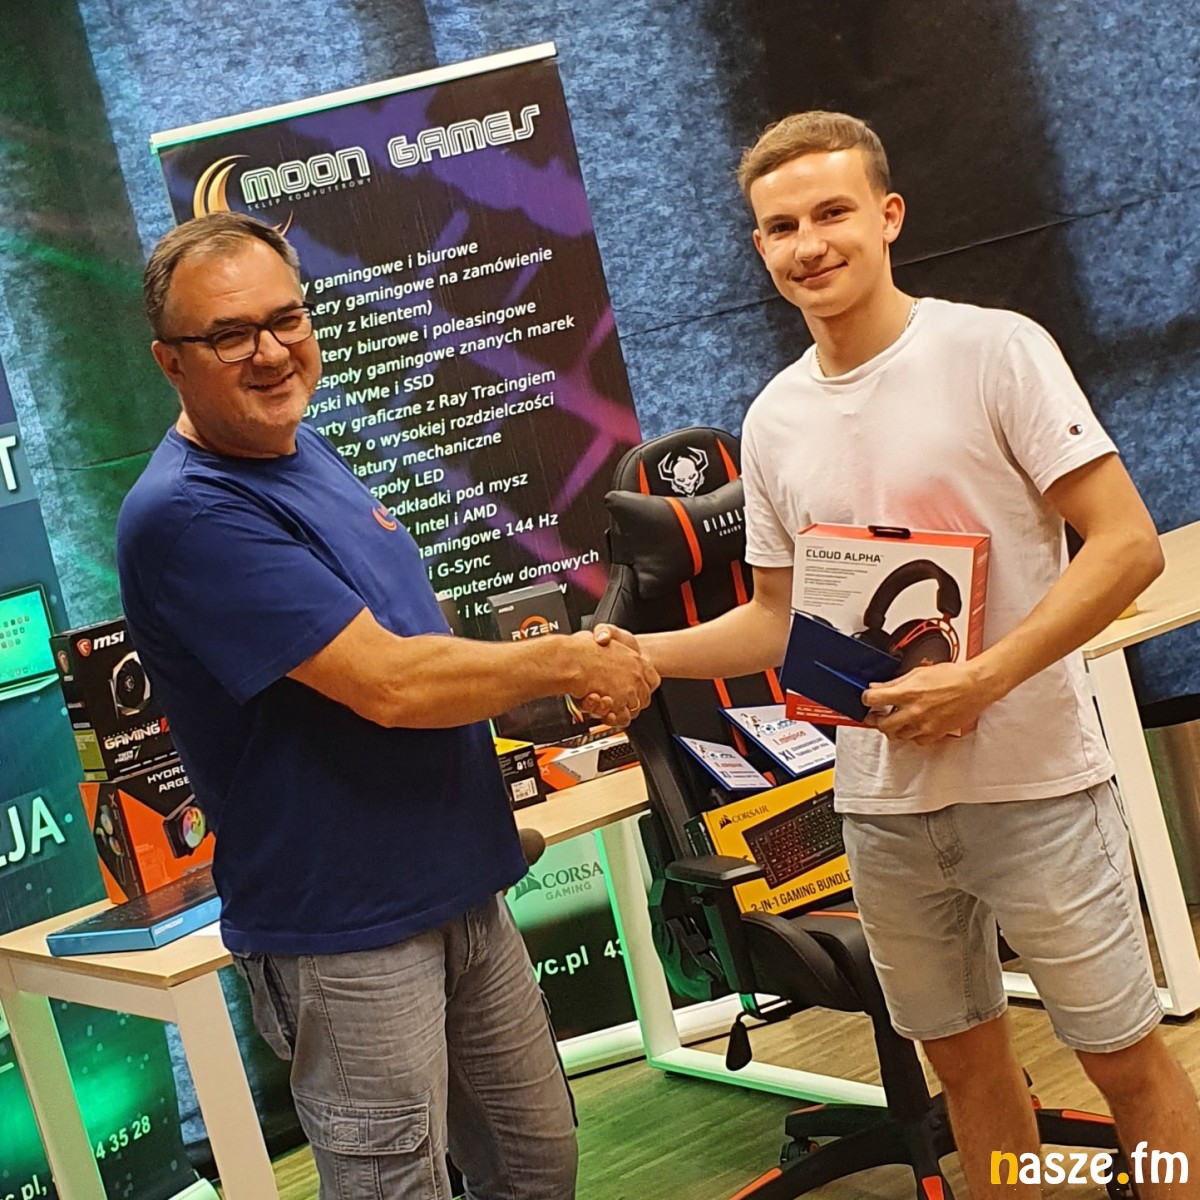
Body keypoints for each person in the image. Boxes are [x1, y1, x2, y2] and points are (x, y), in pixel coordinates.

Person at [602, 112, 1200, 1197]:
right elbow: (775, 622)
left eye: (832, 213)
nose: (809, 244)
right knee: (967, 1073)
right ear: (759, 247)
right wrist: (634, 654)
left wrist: (986, 677)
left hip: (1033, 784)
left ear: (888, 216)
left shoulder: (994, 351)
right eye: (782, 226)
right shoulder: (774, 419)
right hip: (881, 808)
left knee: (1125, 1065)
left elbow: (1125, 545)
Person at [116, 211, 658, 1200]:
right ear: (169, 361)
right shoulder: (187, 512)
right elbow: (390, 683)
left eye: (285, 318)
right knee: (392, 1188)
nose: (270, 351)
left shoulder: (304, 450)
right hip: (346, 930)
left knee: (538, 1163)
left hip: (461, 886)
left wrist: (538, 698)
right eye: (229, 334)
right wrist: (564, 663)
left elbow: (410, 632)